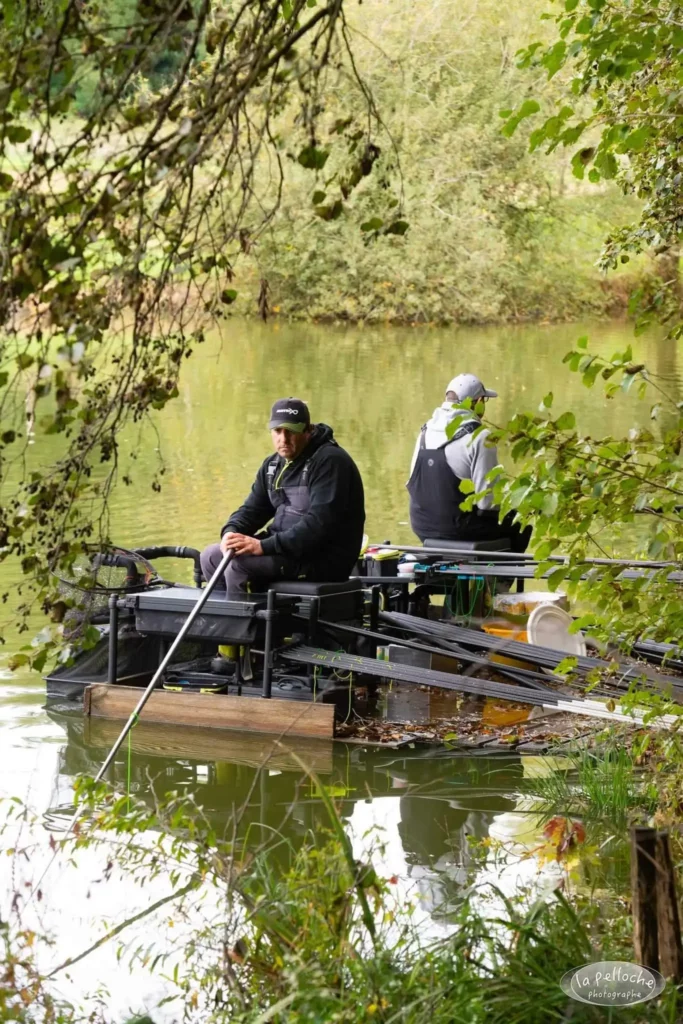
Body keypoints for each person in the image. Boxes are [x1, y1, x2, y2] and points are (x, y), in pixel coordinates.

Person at [201, 397, 365, 596]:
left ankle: (245, 626)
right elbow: (252, 510)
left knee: (239, 566)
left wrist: (262, 546)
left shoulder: (330, 462)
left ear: (308, 430)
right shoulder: (272, 466)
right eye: (278, 431)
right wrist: (231, 532)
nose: (283, 439)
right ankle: (222, 622)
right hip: (284, 551)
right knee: (210, 557)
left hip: (321, 559)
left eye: (291, 431)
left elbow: (319, 526)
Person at [407, 373, 531, 552]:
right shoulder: (480, 436)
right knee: (519, 524)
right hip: (458, 529)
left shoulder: (424, 432)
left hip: (421, 526)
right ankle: (497, 580)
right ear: (479, 401)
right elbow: (488, 503)